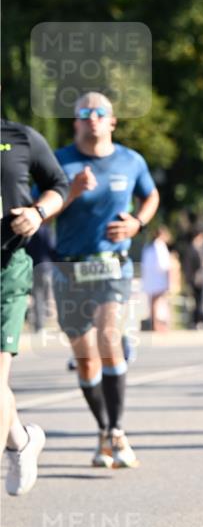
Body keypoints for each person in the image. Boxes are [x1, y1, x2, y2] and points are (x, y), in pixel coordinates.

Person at [52, 93, 159, 467]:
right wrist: (71, 192)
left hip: (112, 265)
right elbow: (40, 211)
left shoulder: (131, 160)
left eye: (100, 112)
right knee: (85, 359)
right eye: (84, 113)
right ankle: (103, 431)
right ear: (76, 122)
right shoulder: (59, 161)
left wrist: (137, 223)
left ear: (112, 121)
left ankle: (116, 430)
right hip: (69, 268)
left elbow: (151, 196)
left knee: (109, 338)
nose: (92, 118)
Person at [1, 116, 68, 495]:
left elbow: (59, 185)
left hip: (6, 268)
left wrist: (37, 212)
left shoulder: (20, 138)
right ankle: (21, 442)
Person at [141, 226, 172, 331]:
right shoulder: (160, 246)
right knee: (158, 302)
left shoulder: (148, 246)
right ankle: (157, 325)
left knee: (153, 302)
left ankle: (154, 323)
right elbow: (163, 265)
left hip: (150, 279)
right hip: (159, 279)